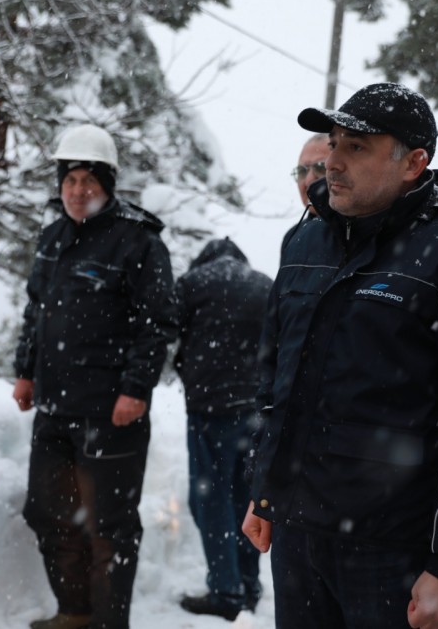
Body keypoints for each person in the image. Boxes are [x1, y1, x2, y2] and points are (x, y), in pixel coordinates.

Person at [242, 82, 438, 629]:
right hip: (298, 536)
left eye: (356, 147)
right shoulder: (304, 244)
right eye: (334, 142)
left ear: (414, 163)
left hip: (391, 549)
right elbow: (277, 381)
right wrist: (265, 490)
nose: (332, 162)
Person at [13, 124, 177, 629]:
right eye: (70, 179)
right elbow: (36, 310)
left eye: (89, 179)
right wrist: (25, 372)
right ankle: (75, 612)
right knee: (48, 514)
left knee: (110, 528)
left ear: (107, 183)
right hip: (55, 408)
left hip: (110, 412)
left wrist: (135, 388)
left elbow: (159, 323)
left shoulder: (137, 241)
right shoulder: (53, 236)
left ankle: (109, 623)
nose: (78, 190)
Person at [173, 237, 272, 621]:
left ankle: (226, 591)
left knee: (209, 500)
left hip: (209, 409)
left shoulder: (194, 281)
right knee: (245, 500)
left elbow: (169, 332)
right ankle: (248, 585)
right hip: (254, 410)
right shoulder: (264, 283)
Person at [280, 134, 329, 251]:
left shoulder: (362, 232)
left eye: (321, 167)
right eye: (302, 171)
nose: (308, 181)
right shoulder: (293, 238)